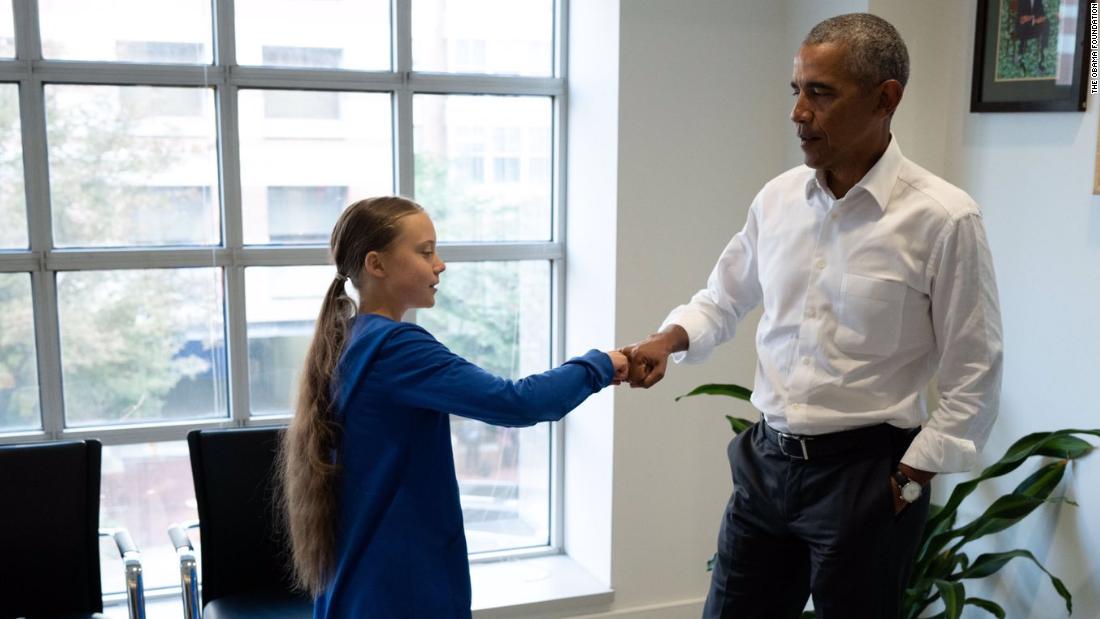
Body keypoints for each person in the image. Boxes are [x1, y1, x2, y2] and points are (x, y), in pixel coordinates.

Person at [620, 14, 1002, 619]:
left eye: (820, 93)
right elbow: (723, 297)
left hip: (869, 480)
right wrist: (668, 340)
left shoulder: (944, 220)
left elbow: (974, 370)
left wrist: (910, 478)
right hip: (766, 468)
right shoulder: (776, 200)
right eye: (796, 90)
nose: (799, 112)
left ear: (886, 99)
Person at [279, 196, 628, 618]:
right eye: (425, 252)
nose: (439, 264)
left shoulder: (350, 340)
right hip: (399, 589)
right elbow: (519, 403)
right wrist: (602, 365)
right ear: (377, 264)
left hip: (361, 584)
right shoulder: (396, 349)